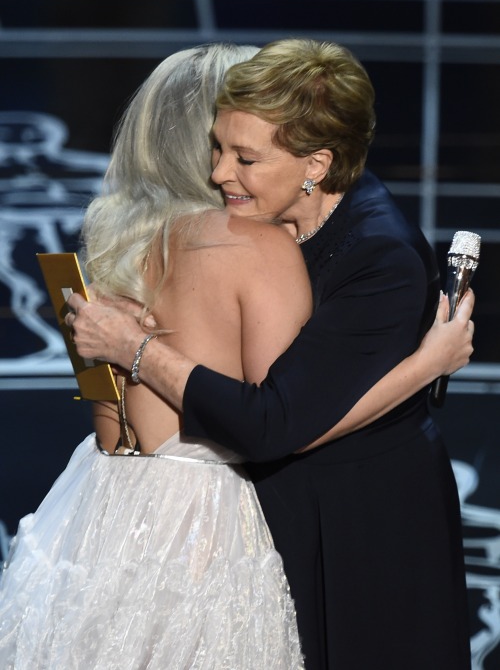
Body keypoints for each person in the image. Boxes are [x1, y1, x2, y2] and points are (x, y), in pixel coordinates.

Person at [66, 39, 475, 669]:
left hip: (364, 518)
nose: (219, 173)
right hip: (263, 504)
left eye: (245, 157)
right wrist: (424, 369)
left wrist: (134, 349)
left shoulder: (378, 255)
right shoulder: (261, 225)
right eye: (218, 148)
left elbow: (272, 425)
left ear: (316, 163)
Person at [0, 43, 311, 669]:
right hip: (204, 523)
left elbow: (108, 418)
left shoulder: (111, 238)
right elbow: (284, 422)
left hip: (97, 502)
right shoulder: (261, 246)